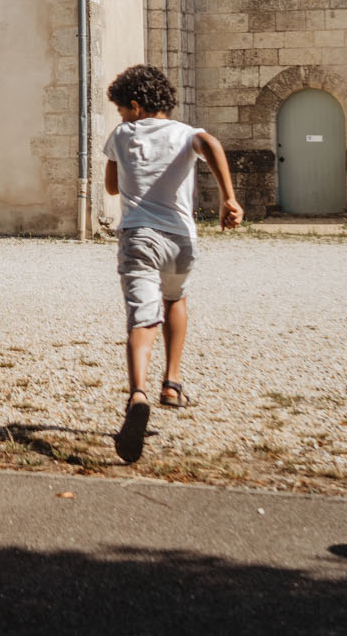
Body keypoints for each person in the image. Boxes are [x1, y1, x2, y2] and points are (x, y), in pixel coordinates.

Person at [103, 63, 242, 463]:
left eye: (121, 110)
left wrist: (125, 167)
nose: (121, 118)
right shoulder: (185, 134)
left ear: (134, 105)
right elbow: (211, 143)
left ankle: (138, 394)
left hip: (139, 236)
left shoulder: (123, 134)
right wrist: (228, 198)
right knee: (175, 299)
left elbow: (112, 187)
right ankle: (173, 383)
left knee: (142, 317)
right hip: (181, 239)